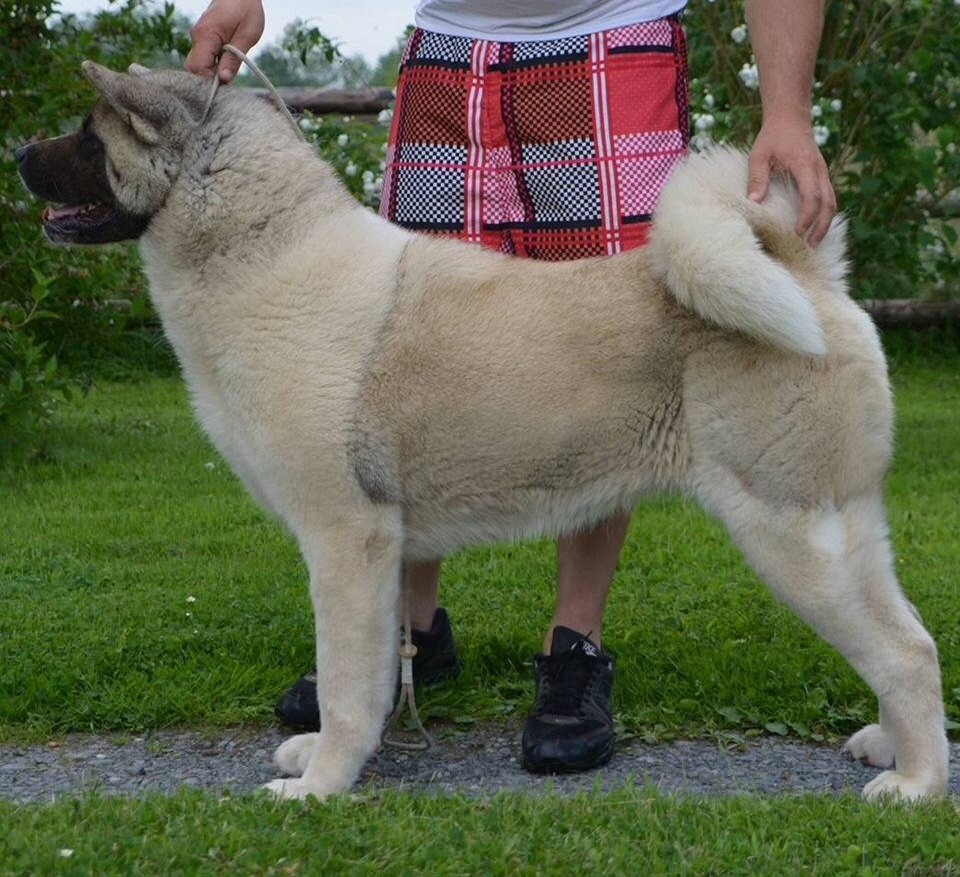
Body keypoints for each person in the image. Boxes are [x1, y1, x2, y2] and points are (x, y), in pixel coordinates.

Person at [187, 0, 836, 774]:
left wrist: (787, 110)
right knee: (410, 348)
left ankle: (575, 644)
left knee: (614, 349)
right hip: (448, 54)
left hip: (610, 34)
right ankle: (402, 634)